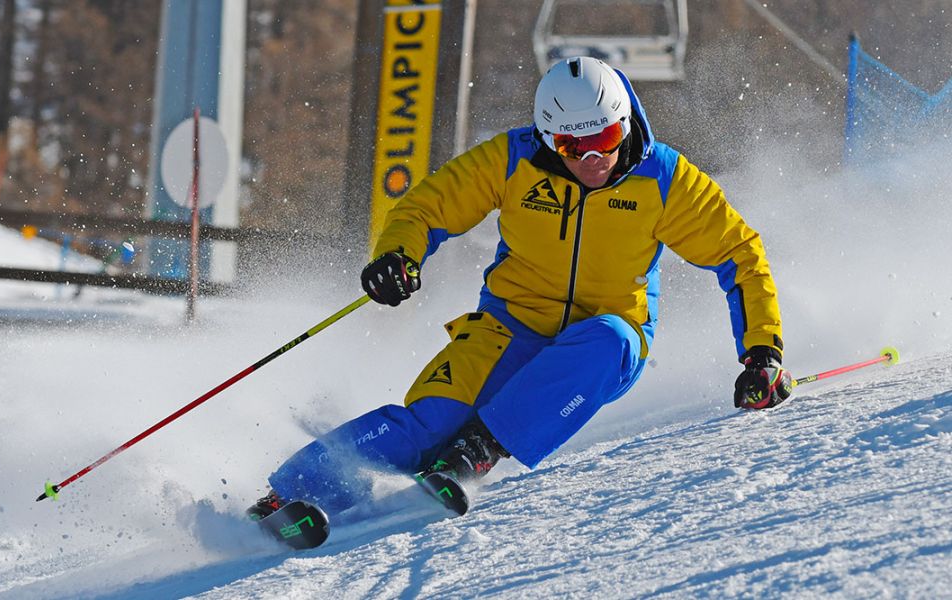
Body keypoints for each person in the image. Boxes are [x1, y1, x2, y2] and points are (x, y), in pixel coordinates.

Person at [247, 57, 792, 520]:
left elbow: (739, 254)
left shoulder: (664, 179)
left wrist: (762, 353)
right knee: (426, 424)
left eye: (602, 140)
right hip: (508, 325)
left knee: (612, 339)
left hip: (599, 343)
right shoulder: (515, 160)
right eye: (571, 147)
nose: (589, 161)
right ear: (548, 137)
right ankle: (288, 496)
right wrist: (398, 256)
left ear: (623, 126)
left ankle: (480, 448)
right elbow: (427, 206)